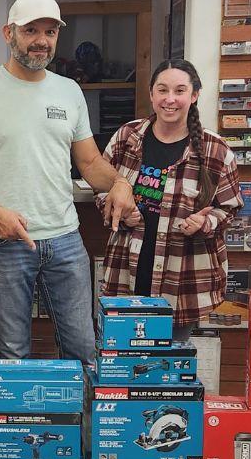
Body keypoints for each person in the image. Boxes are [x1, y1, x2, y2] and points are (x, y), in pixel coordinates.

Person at [0, 0, 136, 362]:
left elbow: (91, 164)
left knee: (82, 347)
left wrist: (122, 182)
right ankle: (24, 420)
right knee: (14, 353)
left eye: (50, 32)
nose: (41, 41)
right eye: (31, 30)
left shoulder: (69, 91)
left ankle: (77, 419)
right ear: (8, 33)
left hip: (65, 238)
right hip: (4, 241)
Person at [98, 59, 243, 337]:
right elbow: (102, 187)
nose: (170, 99)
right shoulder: (127, 137)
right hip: (127, 271)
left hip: (182, 281)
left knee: (169, 369)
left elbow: (229, 208)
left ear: (194, 95)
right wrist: (115, 208)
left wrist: (206, 222)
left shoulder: (216, 150)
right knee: (121, 365)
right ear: (151, 94)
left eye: (179, 91)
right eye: (162, 90)